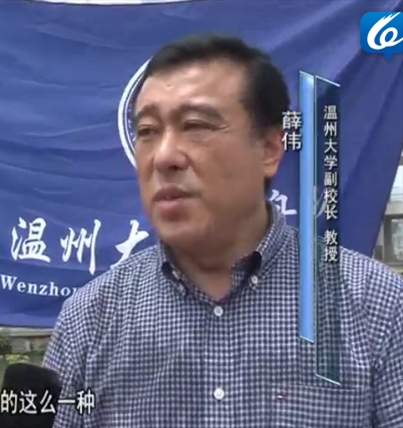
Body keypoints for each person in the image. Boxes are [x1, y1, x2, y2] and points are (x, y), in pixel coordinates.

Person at [43, 34, 402, 427]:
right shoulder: (88, 320)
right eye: (147, 131)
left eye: (195, 125)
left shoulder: (378, 307)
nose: (164, 156)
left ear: (269, 149)